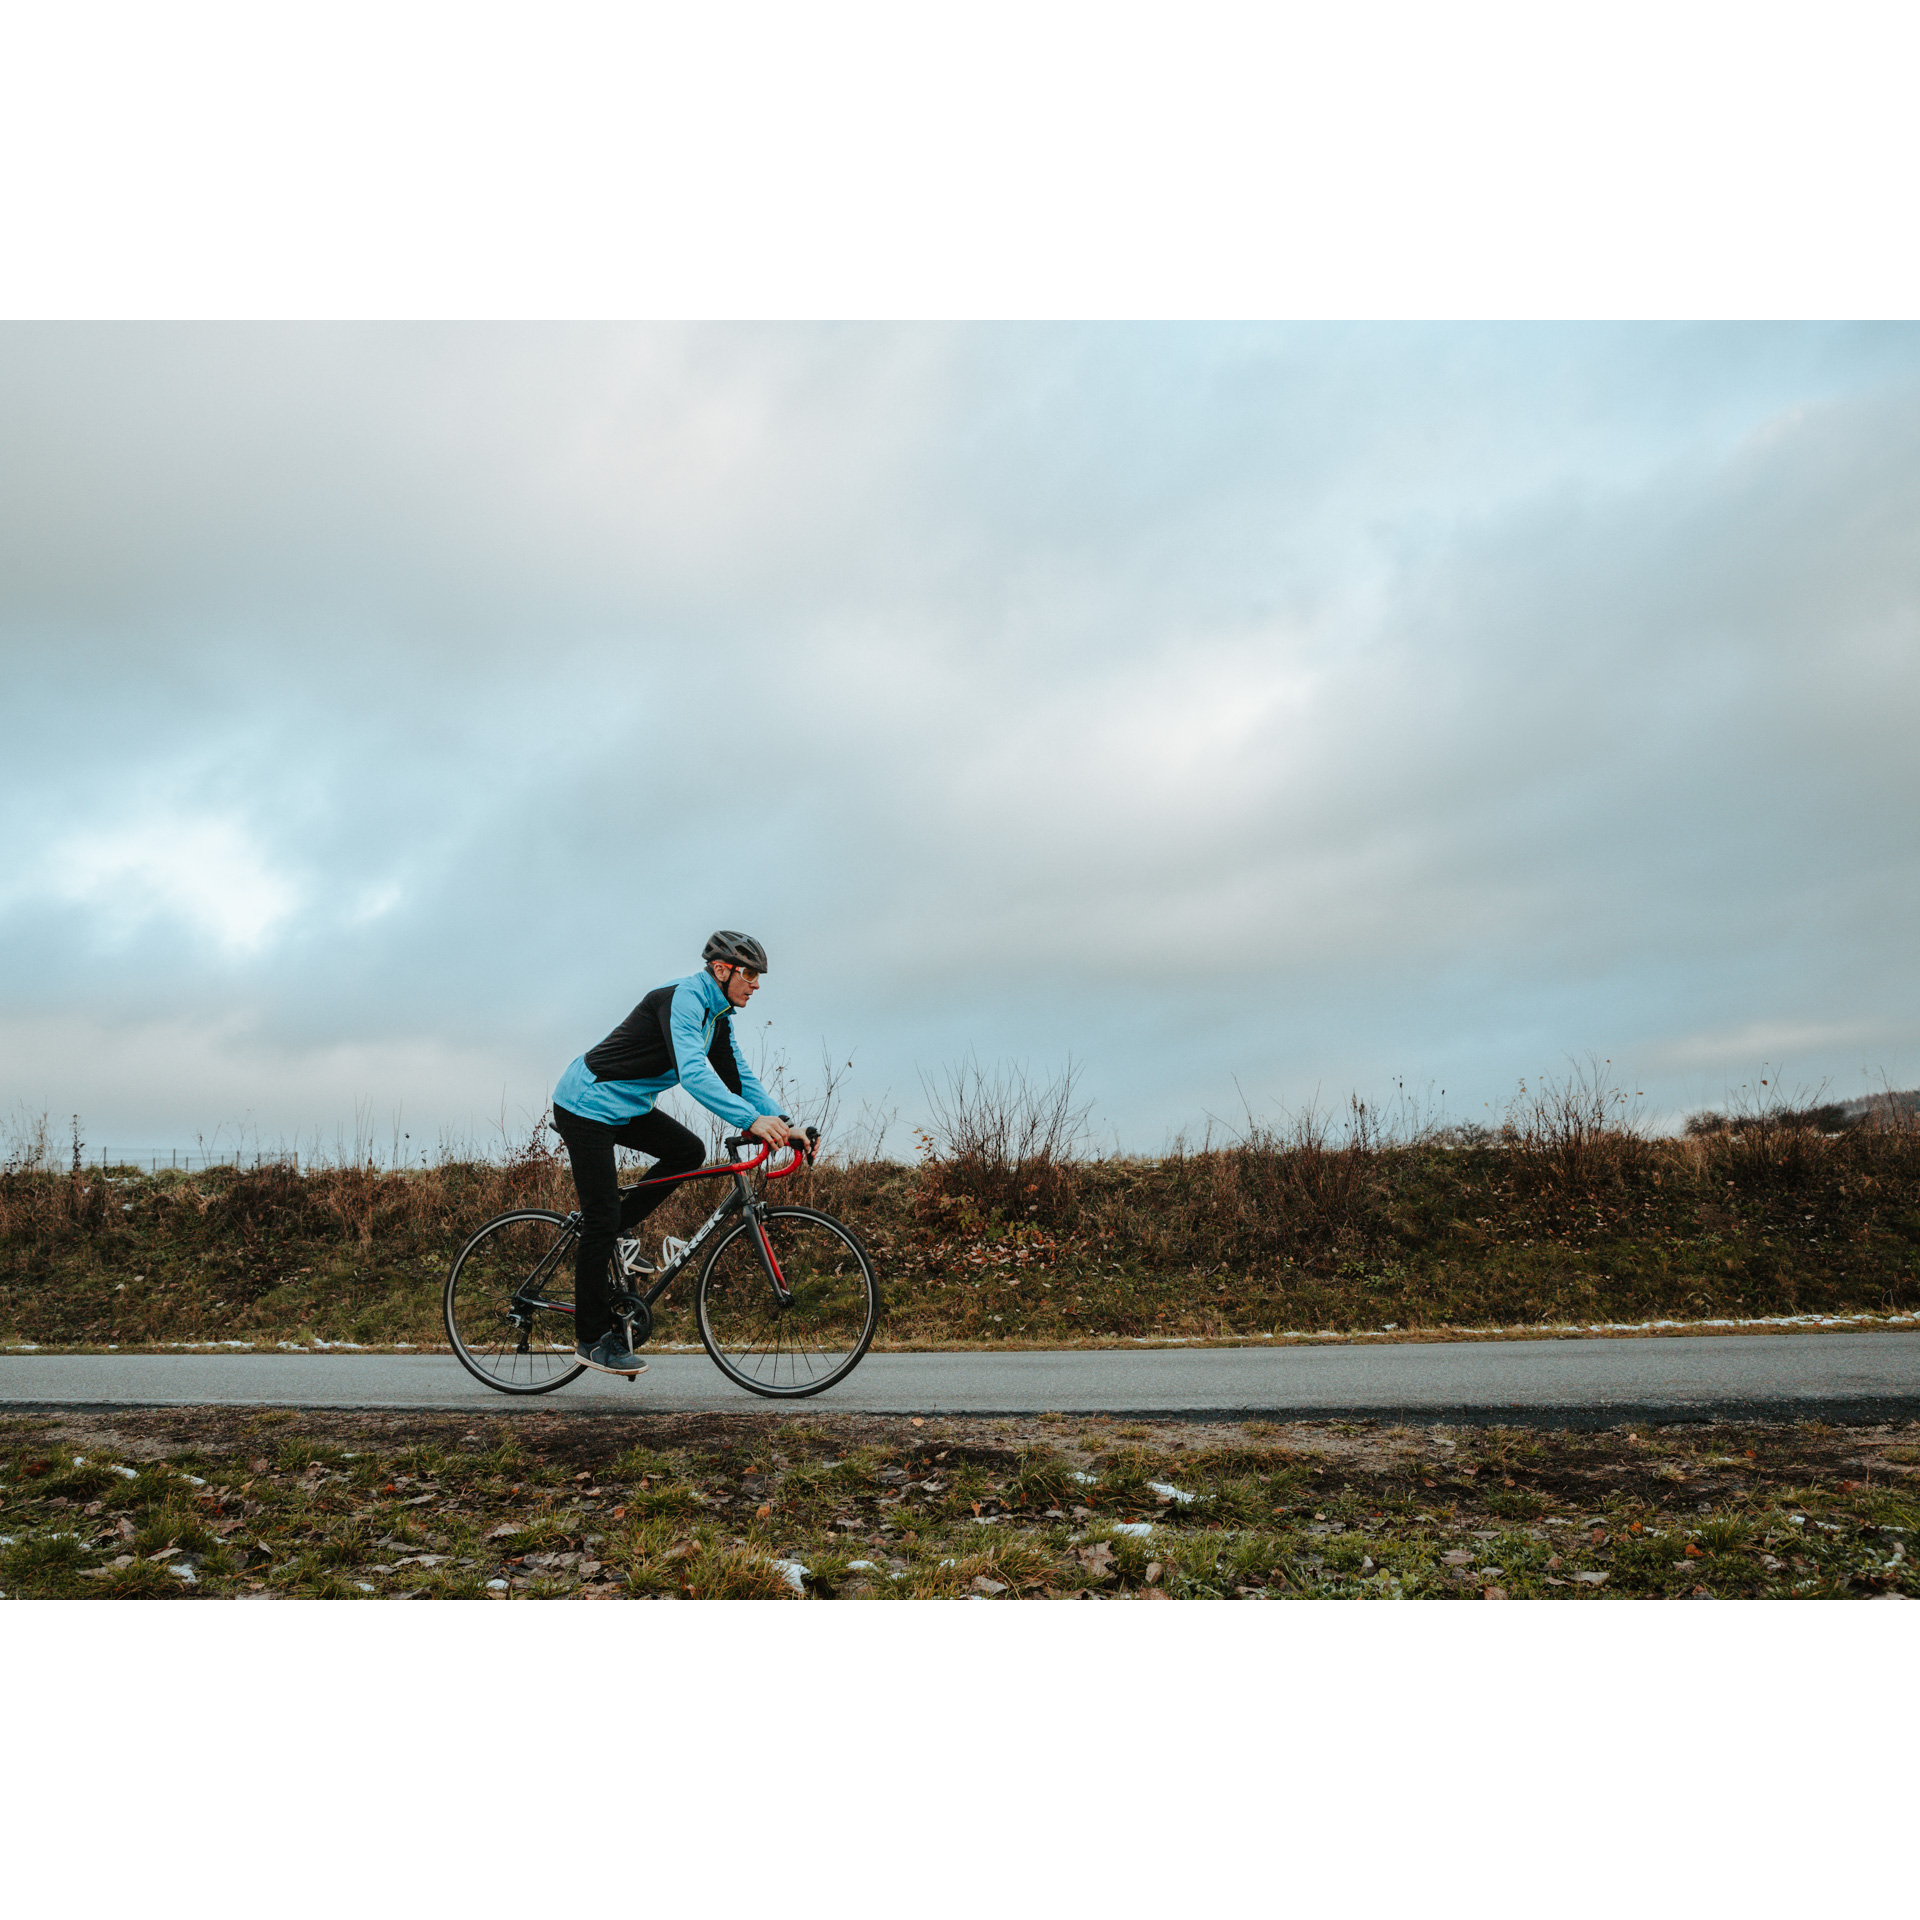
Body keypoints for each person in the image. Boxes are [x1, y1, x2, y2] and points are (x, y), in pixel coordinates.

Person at [550, 930, 796, 1376]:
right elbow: (694, 1073)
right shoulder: (684, 999)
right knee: (600, 1217)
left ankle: (618, 1233)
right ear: (722, 970)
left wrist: (783, 1122)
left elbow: (740, 1079)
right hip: (585, 1103)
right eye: (750, 974)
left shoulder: (717, 1016)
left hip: (623, 1107)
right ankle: (590, 1339)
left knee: (689, 1150)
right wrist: (749, 1121)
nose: (756, 984)